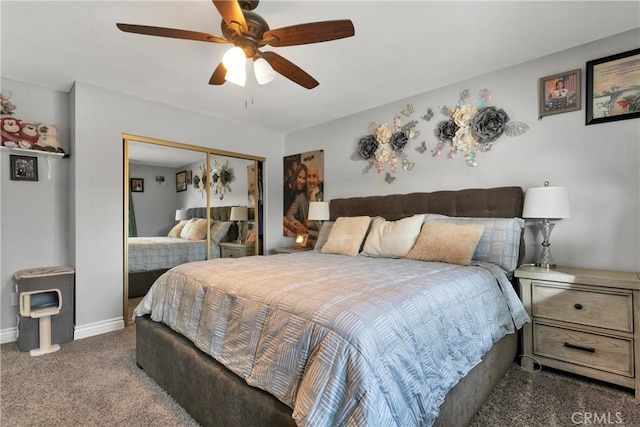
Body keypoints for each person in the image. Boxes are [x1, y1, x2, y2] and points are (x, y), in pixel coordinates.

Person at [283, 164, 308, 236]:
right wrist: (290, 223)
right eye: (300, 177)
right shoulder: (287, 190)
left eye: (304, 178)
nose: (302, 181)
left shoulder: (302, 192)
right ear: (296, 177)